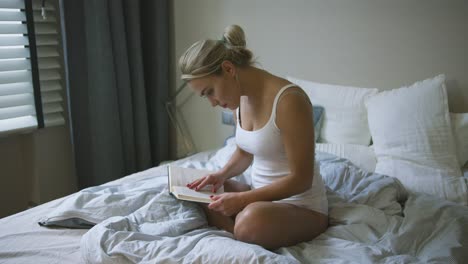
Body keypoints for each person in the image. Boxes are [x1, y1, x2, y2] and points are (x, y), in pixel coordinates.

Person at [178, 25, 328, 250]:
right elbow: (245, 150)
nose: (212, 103)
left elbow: (302, 179)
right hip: (258, 197)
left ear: (228, 69)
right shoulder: (240, 98)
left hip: (301, 206)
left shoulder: (289, 101)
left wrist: (241, 201)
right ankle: (240, 230)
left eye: (209, 91)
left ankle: (240, 230)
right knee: (199, 192)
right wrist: (220, 175)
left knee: (250, 221)